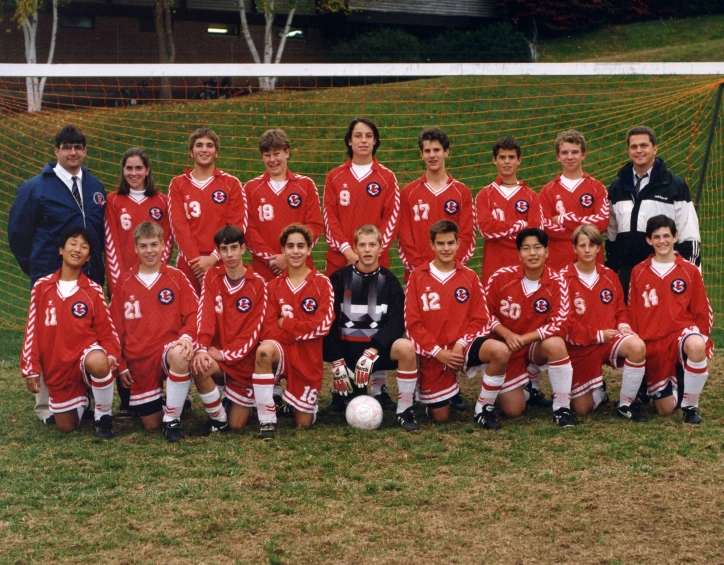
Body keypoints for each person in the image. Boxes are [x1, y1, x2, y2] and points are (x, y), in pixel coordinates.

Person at [9, 124, 108, 425]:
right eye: (67, 147)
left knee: (85, 334)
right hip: (50, 276)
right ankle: (47, 406)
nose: (73, 152)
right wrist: (37, 268)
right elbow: (18, 235)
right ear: (56, 151)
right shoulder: (35, 187)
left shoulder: (94, 186)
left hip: (88, 277)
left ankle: (88, 400)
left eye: (78, 147)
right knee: (49, 337)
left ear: (85, 150)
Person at [404, 220, 510, 430]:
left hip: (463, 346)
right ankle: (435, 396)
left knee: (500, 350)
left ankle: (483, 409)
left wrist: (461, 343)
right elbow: (412, 323)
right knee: (441, 418)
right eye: (441, 243)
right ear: (432, 245)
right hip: (434, 353)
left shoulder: (469, 277)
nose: (446, 248)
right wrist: (437, 352)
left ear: (458, 243)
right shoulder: (417, 277)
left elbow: (481, 318)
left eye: (450, 243)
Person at [20, 227, 120, 439]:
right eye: (73, 244)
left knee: (99, 361)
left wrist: (111, 356)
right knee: (66, 427)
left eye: (84, 247)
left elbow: (108, 332)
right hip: (58, 368)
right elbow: (32, 331)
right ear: (61, 250)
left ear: (88, 257)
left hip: (85, 358)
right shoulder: (41, 287)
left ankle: (103, 417)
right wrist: (31, 369)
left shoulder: (93, 290)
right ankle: (85, 398)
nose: (78, 249)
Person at [324, 224, 419, 431]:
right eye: (363, 245)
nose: (367, 250)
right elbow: (327, 320)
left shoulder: (390, 281)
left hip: (375, 353)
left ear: (380, 248)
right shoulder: (338, 279)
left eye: (372, 245)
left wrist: (374, 349)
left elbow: (397, 322)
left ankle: (405, 410)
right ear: (355, 248)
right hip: (347, 352)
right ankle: (336, 393)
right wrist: (336, 359)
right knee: (350, 399)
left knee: (406, 347)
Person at [110, 223, 198, 441]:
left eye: (154, 245)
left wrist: (186, 336)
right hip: (138, 359)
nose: (149, 250)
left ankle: (173, 420)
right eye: (143, 246)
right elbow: (114, 328)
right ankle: (169, 400)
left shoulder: (176, 277)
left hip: (167, 350)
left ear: (163, 246)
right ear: (135, 249)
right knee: (151, 424)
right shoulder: (124, 282)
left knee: (179, 354)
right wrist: (121, 366)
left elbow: (195, 314)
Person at [485, 228, 577, 427]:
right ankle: (527, 385)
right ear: (518, 254)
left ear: (547, 251)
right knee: (512, 410)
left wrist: (523, 339)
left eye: (537, 247)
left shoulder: (558, 282)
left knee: (556, 343)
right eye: (526, 248)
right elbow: (483, 312)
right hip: (507, 347)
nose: (532, 253)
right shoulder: (500, 277)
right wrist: (506, 334)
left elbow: (560, 322)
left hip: (535, 346)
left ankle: (562, 408)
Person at [252, 224, 334, 440]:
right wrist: (293, 330)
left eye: (300, 246)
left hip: (308, 357)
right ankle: (267, 420)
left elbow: (323, 326)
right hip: (282, 351)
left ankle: (297, 403)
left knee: (302, 424)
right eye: (290, 246)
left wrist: (286, 324)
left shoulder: (322, 284)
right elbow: (267, 329)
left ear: (309, 249)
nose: (295, 251)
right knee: (263, 351)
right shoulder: (273, 286)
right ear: (283, 250)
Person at [628, 215, 713, 424]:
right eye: (656, 237)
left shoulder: (689, 270)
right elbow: (632, 310)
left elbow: (703, 308)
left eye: (667, 235)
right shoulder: (638, 271)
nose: (662, 241)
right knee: (664, 410)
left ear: (676, 237)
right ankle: (678, 380)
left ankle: (690, 407)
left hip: (681, 333)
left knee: (695, 344)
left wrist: (702, 339)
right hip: (653, 342)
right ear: (649, 240)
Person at [559, 225, 647, 420]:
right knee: (581, 408)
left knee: (637, 346)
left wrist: (623, 326)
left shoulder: (609, 276)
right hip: (580, 346)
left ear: (599, 248)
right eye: (582, 245)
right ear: (574, 248)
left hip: (609, 340)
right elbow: (564, 322)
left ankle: (627, 404)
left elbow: (621, 310)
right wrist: (596, 334)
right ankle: (599, 391)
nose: (587, 250)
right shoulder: (562, 279)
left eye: (592, 245)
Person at [606, 126, 701, 299]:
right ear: (628, 150)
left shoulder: (674, 186)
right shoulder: (617, 187)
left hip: (663, 270)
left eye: (644, 145)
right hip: (627, 272)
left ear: (655, 148)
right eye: (634, 147)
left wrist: (691, 273)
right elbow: (611, 235)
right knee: (627, 323)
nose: (639, 150)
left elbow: (689, 233)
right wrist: (613, 268)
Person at [191, 225, 268, 436]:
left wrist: (226, 354)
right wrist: (202, 348)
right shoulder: (211, 278)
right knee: (199, 366)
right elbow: (205, 315)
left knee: (238, 425)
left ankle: (239, 403)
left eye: (234, 248)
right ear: (219, 252)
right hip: (217, 355)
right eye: (224, 249)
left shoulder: (258, 284)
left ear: (243, 248)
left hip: (243, 362)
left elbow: (253, 331)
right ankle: (219, 421)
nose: (230, 254)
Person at [168, 127, 247, 293]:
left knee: (224, 315)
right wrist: (197, 264)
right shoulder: (178, 184)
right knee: (190, 316)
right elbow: (178, 226)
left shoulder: (231, 183)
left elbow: (237, 225)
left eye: (209, 145)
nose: (204, 149)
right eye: (199, 145)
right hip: (190, 264)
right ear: (191, 152)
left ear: (216, 152)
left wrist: (214, 258)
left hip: (223, 261)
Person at [243, 128, 324, 282]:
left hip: (301, 270)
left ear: (287, 152)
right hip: (265, 271)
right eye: (267, 155)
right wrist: (272, 259)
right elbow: (248, 230)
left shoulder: (306, 185)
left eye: (276, 153)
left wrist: (290, 256)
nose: (272, 160)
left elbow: (315, 225)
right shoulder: (250, 189)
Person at [323, 117, 400, 276]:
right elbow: (329, 218)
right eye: (358, 136)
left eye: (369, 136)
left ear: (375, 141)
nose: (364, 140)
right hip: (340, 261)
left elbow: (392, 219)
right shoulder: (334, 177)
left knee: (375, 302)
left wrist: (370, 252)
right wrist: (347, 251)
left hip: (376, 263)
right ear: (350, 141)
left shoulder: (387, 178)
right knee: (338, 301)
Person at [398, 127, 475, 279]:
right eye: (427, 151)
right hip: (417, 275)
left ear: (446, 152)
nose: (432, 155)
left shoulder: (462, 192)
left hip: (453, 275)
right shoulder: (408, 193)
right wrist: (421, 268)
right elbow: (404, 238)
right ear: (421, 155)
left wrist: (449, 267)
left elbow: (467, 236)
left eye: (436, 150)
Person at [105, 147, 173, 296]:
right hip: (123, 281)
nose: (133, 173)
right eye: (129, 168)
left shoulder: (163, 201)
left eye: (139, 168)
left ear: (147, 170)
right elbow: (111, 245)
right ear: (123, 170)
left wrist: (154, 277)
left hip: (154, 280)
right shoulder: (113, 200)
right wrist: (119, 284)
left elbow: (166, 243)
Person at [539, 130, 609, 271]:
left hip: (591, 263)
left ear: (583, 155)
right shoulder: (547, 191)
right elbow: (546, 227)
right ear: (558, 156)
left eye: (575, 152)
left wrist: (562, 220)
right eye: (564, 153)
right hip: (558, 261)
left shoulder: (597, 188)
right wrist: (586, 227)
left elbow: (602, 223)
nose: (569, 157)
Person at [476, 137, 541, 286]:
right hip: (493, 268)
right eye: (502, 157)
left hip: (524, 268)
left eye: (511, 157)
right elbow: (486, 230)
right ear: (494, 160)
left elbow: (535, 232)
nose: (507, 162)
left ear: (519, 160)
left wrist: (500, 229)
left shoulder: (531, 196)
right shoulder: (484, 195)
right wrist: (520, 225)